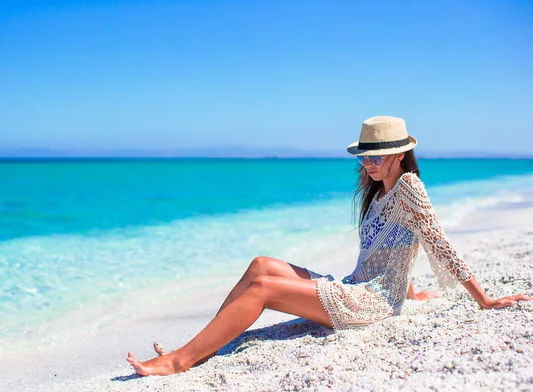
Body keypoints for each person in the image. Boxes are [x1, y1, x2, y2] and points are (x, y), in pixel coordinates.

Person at [126, 116, 531, 376]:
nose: (369, 164)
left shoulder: (410, 187)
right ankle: (202, 346)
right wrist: (410, 289)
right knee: (261, 265)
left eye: (378, 156)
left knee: (264, 290)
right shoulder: (378, 194)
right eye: (365, 157)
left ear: (400, 155)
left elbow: (438, 243)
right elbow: (390, 250)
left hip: (369, 304)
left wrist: (485, 301)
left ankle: (180, 361)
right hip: (356, 287)